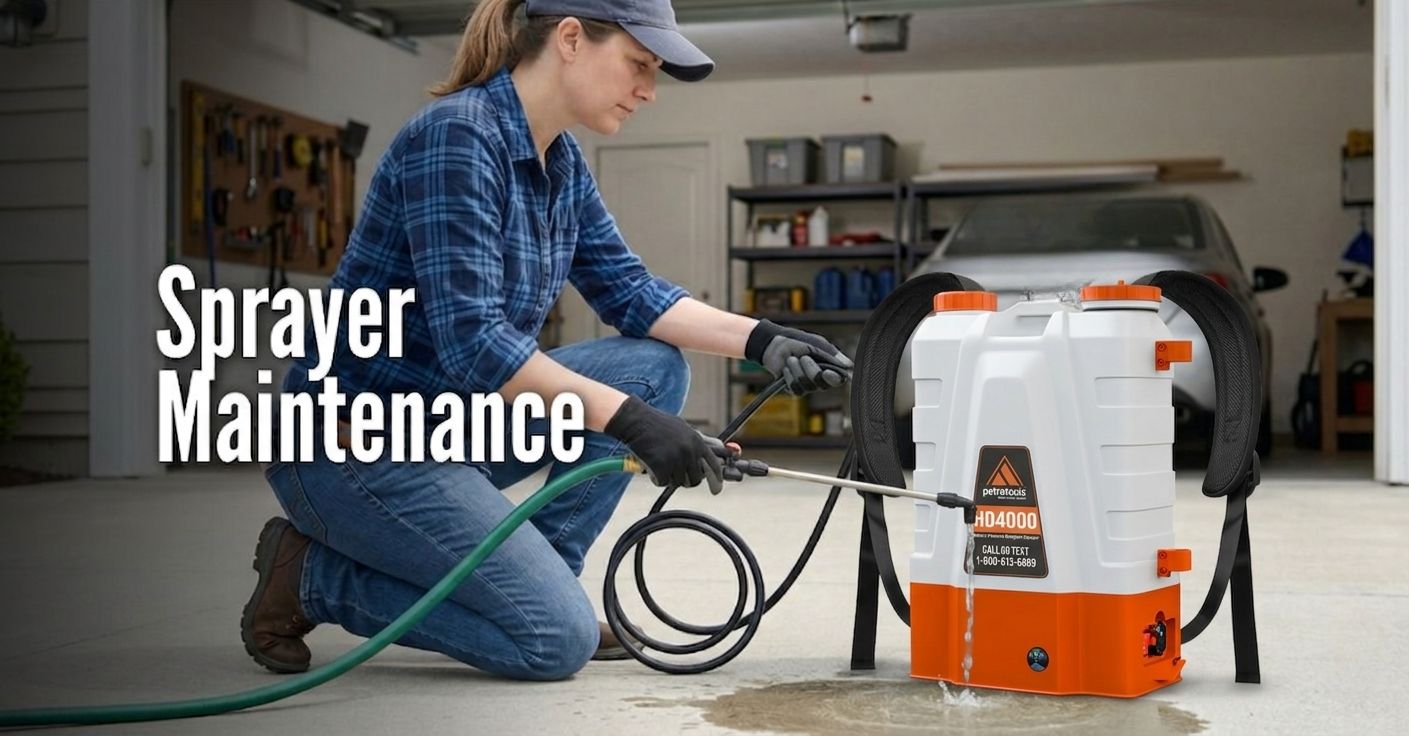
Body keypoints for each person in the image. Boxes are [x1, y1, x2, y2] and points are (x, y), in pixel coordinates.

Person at [242, 0, 852, 682]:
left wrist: (765, 339)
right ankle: (313, 578)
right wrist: (631, 422)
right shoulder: (455, 137)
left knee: (650, 368)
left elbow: (628, 290)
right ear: (569, 39)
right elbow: (474, 344)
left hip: (455, 426)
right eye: (639, 64)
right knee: (553, 642)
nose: (648, 90)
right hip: (355, 448)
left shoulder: (558, 160)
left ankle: (540, 581)